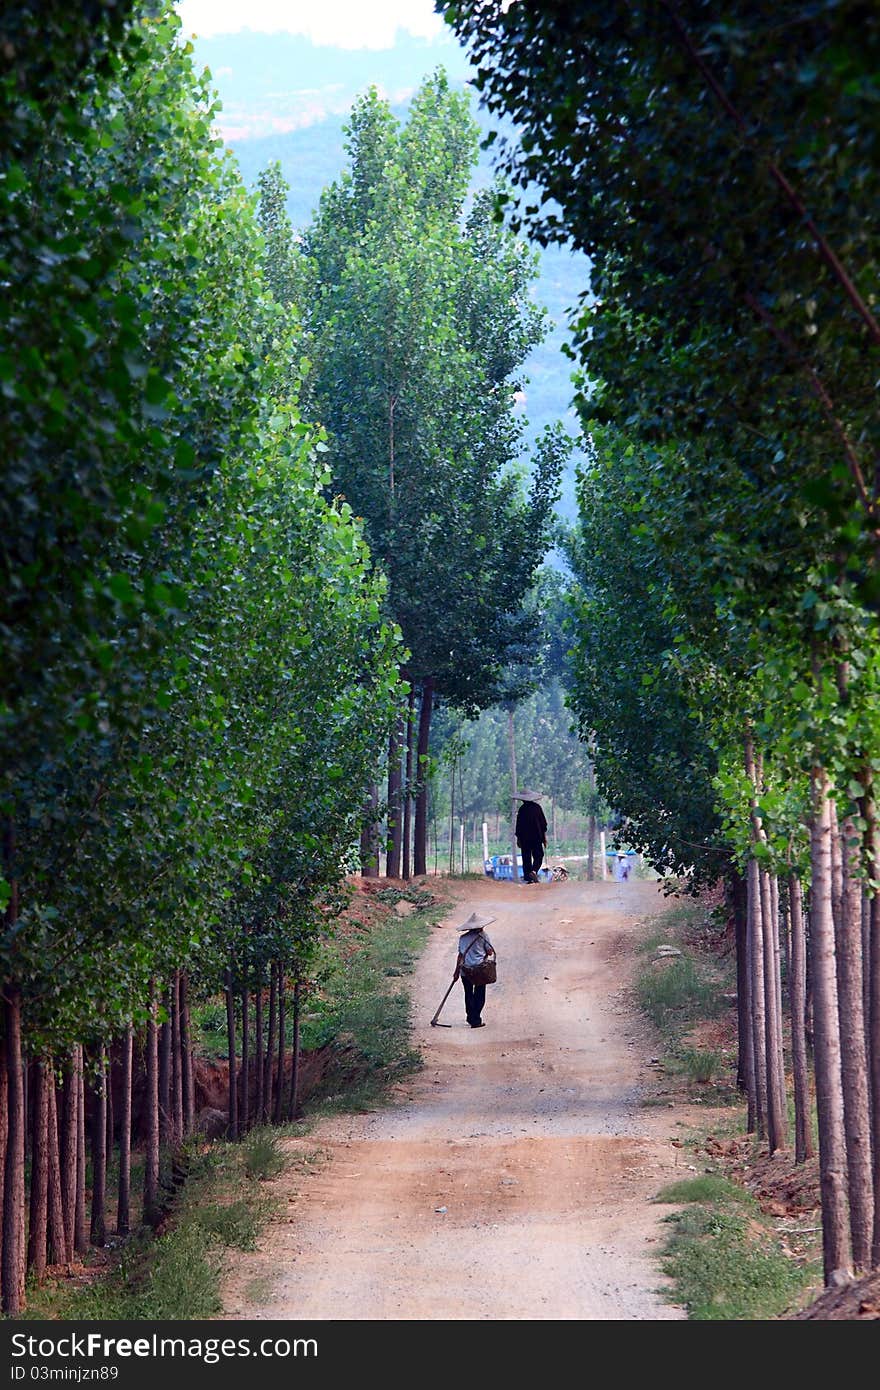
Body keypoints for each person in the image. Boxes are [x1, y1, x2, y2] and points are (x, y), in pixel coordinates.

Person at [453, 911, 496, 1027]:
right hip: (479, 971)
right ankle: (475, 1019)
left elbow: (460, 956)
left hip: (465, 971)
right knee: (479, 994)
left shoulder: (463, 938)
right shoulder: (484, 936)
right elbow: (490, 952)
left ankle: (471, 1017)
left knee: (468, 994)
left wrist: (456, 972)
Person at [515, 791, 547, 884]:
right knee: (539, 855)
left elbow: (519, 826)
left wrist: (518, 838)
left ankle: (528, 878)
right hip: (537, 837)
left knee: (526, 857)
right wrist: (544, 838)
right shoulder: (537, 808)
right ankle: (534, 871)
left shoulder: (522, 809)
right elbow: (543, 824)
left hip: (524, 838)